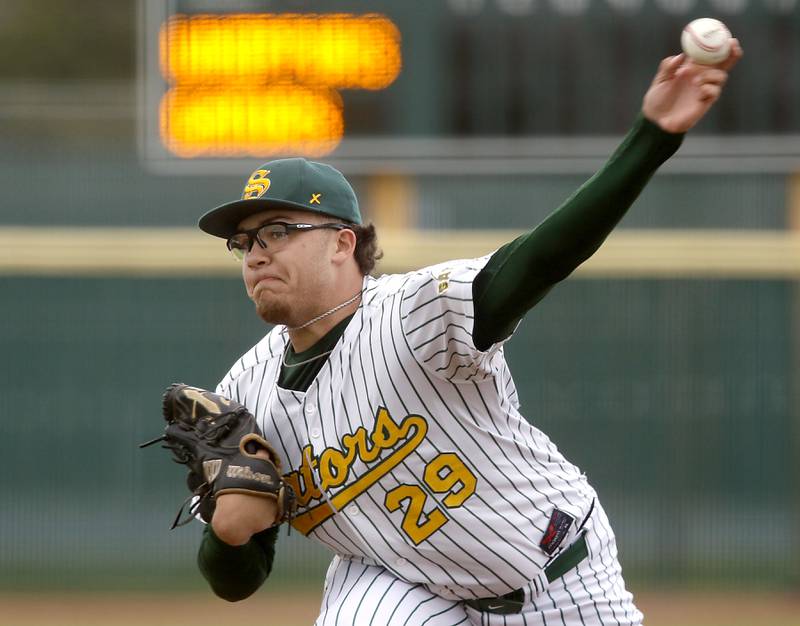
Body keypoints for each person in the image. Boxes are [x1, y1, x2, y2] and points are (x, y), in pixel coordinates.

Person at [191, 45, 741, 625]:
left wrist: (651, 137)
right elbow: (235, 584)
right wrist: (230, 534)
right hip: (404, 584)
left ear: (342, 243)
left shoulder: (415, 312)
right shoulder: (242, 396)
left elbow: (543, 257)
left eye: (276, 231)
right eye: (243, 242)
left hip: (554, 570)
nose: (255, 254)